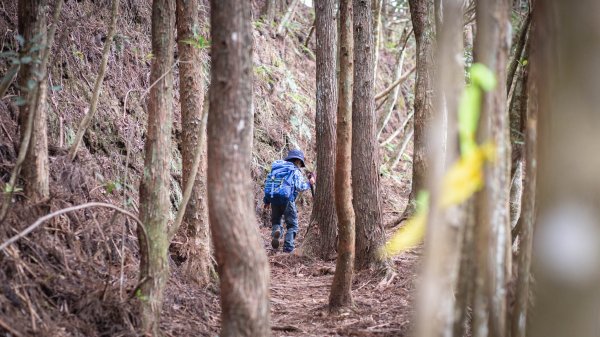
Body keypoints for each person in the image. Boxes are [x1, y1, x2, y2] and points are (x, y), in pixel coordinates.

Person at [263, 149, 315, 253]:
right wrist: (310, 183)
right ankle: (288, 248)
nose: (300, 165)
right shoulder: (294, 170)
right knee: (292, 225)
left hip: (273, 199)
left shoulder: (277, 169)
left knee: (276, 221)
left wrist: (266, 201)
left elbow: (270, 184)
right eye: (300, 163)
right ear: (298, 161)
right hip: (288, 200)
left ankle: (276, 232)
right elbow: (300, 187)